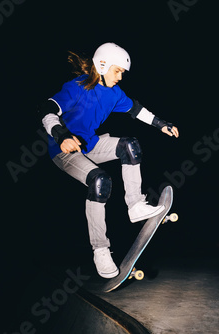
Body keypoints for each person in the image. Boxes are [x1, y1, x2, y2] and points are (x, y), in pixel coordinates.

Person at [37, 42, 179, 278]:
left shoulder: (114, 93)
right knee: (99, 181)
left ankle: (135, 205)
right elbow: (47, 109)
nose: (120, 77)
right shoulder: (77, 87)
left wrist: (161, 124)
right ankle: (100, 250)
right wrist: (61, 135)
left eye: (122, 73)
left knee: (129, 146)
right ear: (101, 65)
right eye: (118, 71)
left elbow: (136, 109)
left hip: (90, 145)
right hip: (64, 151)